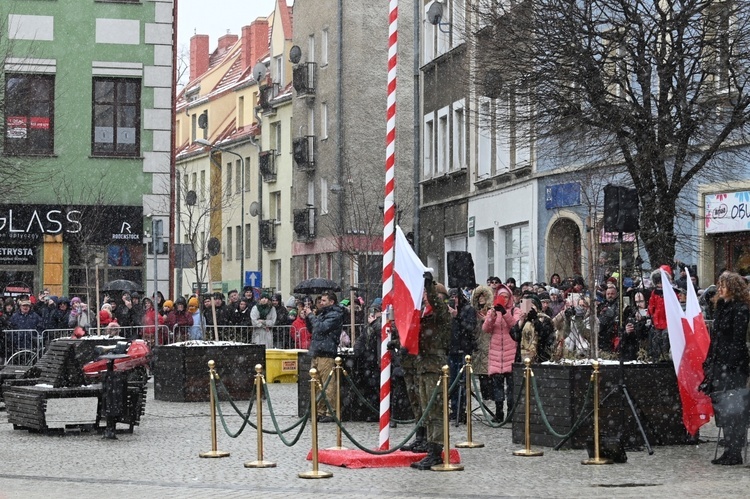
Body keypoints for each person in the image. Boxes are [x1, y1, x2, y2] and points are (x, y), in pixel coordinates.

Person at [700, 271, 750, 465]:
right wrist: (710, 360)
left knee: (734, 408)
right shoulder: (721, 306)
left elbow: (738, 340)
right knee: (722, 406)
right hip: (719, 362)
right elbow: (716, 337)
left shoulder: (741, 308)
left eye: (723, 285)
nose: (720, 288)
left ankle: (734, 449)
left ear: (733, 287)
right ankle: (729, 447)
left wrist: (730, 364)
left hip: (733, 365)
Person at [409, 273, 451, 470]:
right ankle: (429, 446)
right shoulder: (425, 314)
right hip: (424, 365)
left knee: (435, 410)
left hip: (435, 366)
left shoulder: (442, 313)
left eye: (429, 293)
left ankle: (436, 451)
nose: (426, 296)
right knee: (426, 409)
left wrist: (430, 285)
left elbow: (437, 303)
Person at [482, 282, 521, 421]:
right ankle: (499, 413)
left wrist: (504, 313)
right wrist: (492, 315)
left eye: (505, 297)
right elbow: (486, 329)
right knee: (497, 388)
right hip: (496, 354)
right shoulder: (492, 311)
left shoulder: (515, 311)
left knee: (511, 388)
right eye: (501, 297)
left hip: (510, 354)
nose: (503, 299)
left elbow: (515, 326)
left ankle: (511, 412)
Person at [305, 291, 345, 423]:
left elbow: (321, 328)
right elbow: (313, 329)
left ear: (331, 302)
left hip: (326, 352)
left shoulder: (335, 314)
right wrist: (308, 317)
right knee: (317, 384)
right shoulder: (322, 314)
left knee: (328, 384)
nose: (320, 303)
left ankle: (330, 411)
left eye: (323, 301)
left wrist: (311, 316)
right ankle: (319, 410)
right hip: (317, 351)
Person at [447, 288, 477, 423]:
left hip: (464, 350)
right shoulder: (448, 310)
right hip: (451, 349)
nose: (454, 299)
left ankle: (462, 409)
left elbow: (470, 328)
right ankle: (454, 409)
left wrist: (457, 316)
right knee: (452, 382)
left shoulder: (468, 310)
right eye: (451, 297)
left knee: (463, 383)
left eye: (456, 296)